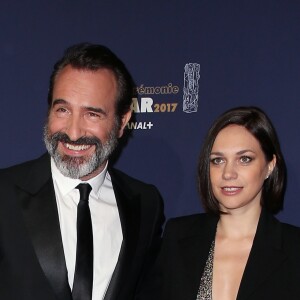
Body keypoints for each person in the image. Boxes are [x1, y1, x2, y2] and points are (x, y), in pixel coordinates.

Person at [0, 43, 164, 300]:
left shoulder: (145, 204)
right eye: (63, 110)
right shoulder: (4, 194)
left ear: (122, 122)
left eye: (92, 114)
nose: (73, 132)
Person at [155, 107, 300, 300]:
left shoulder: (294, 248)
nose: (228, 173)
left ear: (269, 166)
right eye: (218, 160)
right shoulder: (178, 236)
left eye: (245, 159)